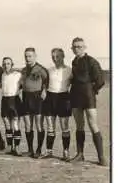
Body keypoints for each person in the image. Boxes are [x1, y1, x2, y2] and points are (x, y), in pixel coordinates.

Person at [69, 37, 106, 166]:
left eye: (79, 46)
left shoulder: (91, 61)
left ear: (84, 47)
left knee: (93, 124)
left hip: (88, 96)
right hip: (75, 96)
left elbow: (100, 80)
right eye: (74, 47)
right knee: (79, 125)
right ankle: (80, 154)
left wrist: (92, 90)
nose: (77, 49)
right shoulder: (74, 61)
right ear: (72, 48)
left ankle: (101, 157)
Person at [43, 48, 73, 160]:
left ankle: (66, 152)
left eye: (57, 56)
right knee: (50, 126)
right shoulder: (49, 70)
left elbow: (75, 83)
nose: (55, 59)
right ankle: (49, 151)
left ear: (63, 56)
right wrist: (43, 90)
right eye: (53, 57)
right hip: (50, 98)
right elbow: (44, 84)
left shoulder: (70, 70)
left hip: (64, 98)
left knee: (64, 127)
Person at [20, 48, 49, 158]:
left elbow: (47, 81)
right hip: (26, 97)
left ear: (35, 56)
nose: (27, 58)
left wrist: (45, 90)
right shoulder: (23, 70)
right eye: (26, 56)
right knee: (28, 125)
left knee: (38, 124)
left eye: (30, 56)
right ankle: (30, 149)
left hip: (37, 98)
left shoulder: (41, 69)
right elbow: (21, 83)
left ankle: (38, 149)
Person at [0, 57, 23, 156]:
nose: (6, 66)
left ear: (12, 64)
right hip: (5, 100)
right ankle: (10, 147)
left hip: (14, 100)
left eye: (8, 63)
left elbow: (23, 85)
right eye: (4, 64)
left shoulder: (18, 74)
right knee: (7, 124)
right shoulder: (3, 75)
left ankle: (17, 147)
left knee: (15, 124)